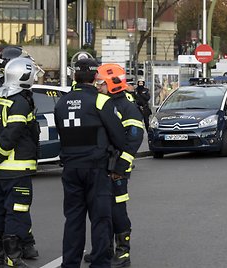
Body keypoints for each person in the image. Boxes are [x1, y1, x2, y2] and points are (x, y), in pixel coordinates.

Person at [54, 59, 127, 268]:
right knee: (101, 220)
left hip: (70, 169)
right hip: (96, 169)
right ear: (96, 76)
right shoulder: (101, 101)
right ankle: (100, 264)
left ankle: (70, 264)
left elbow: (62, 133)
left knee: (73, 220)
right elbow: (119, 137)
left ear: (74, 76)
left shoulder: (61, 103)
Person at [0, 57, 41, 267]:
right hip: (16, 169)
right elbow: (11, 135)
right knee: (17, 211)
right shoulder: (21, 102)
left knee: (0, 209)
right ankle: (12, 257)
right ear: (23, 75)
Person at [83, 64, 144, 267]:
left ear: (112, 83)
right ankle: (103, 249)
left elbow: (134, 138)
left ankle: (123, 252)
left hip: (117, 168)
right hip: (101, 165)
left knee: (117, 210)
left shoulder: (126, 106)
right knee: (101, 209)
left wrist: (121, 166)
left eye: (100, 83)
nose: (97, 86)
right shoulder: (105, 102)